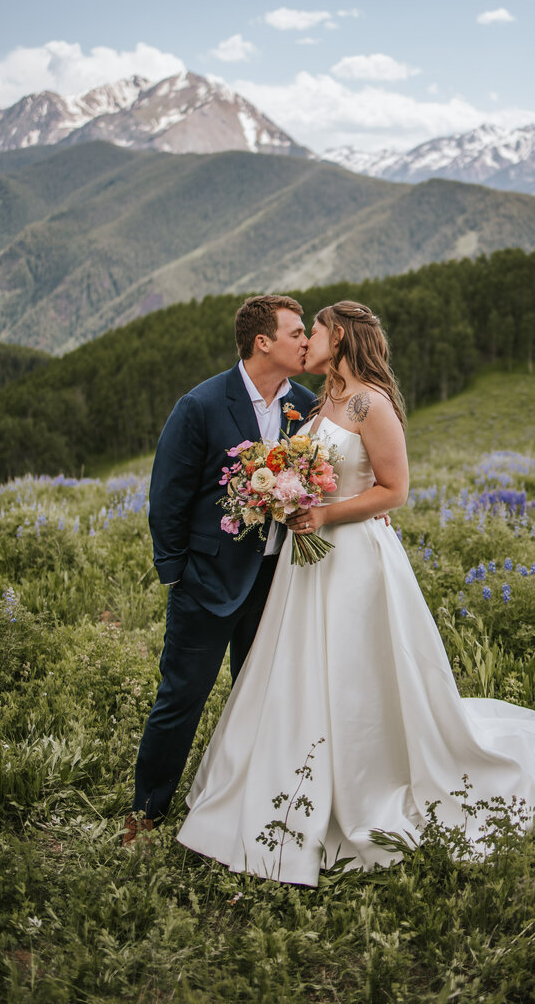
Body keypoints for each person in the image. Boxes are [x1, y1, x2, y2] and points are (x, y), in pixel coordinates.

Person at [177, 301, 535, 884]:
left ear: (338, 337)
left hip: (352, 563)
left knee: (357, 677)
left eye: (313, 330)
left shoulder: (371, 402)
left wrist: (324, 515)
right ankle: (291, 784)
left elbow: (395, 490)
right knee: (300, 671)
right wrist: (286, 499)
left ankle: (365, 785)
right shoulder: (317, 404)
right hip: (307, 563)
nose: (306, 339)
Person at [124, 295, 317, 844]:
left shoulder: (305, 405)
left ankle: (251, 811)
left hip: (278, 580)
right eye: (297, 332)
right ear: (264, 342)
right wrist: (177, 574)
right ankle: (147, 813)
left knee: (262, 701)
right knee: (180, 699)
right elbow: (168, 497)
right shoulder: (202, 404)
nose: (307, 341)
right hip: (206, 584)